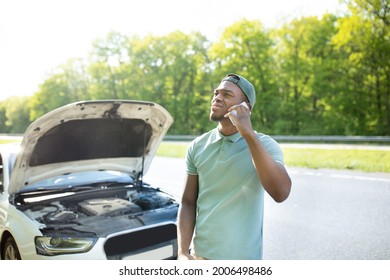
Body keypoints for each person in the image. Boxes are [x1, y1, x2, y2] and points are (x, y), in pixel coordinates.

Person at [177, 73, 292, 260]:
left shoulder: (266, 145)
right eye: (216, 93)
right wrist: (182, 251)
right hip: (200, 258)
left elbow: (281, 193)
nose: (217, 98)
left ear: (245, 107)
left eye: (227, 95)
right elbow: (188, 202)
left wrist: (248, 134)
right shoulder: (197, 146)